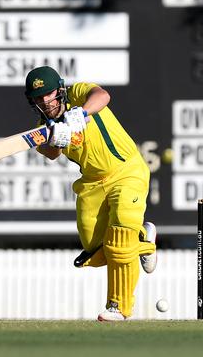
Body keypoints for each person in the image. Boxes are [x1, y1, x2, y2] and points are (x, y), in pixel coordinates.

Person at [24, 66, 157, 321]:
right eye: (38, 98)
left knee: (119, 242)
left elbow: (103, 96)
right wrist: (55, 138)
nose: (45, 102)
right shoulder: (44, 124)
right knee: (94, 250)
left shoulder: (78, 94)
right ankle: (144, 238)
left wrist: (80, 114)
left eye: (49, 94)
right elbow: (51, 154)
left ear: (60, 91)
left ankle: (118, 306)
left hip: (126, 170)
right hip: (92, 183)